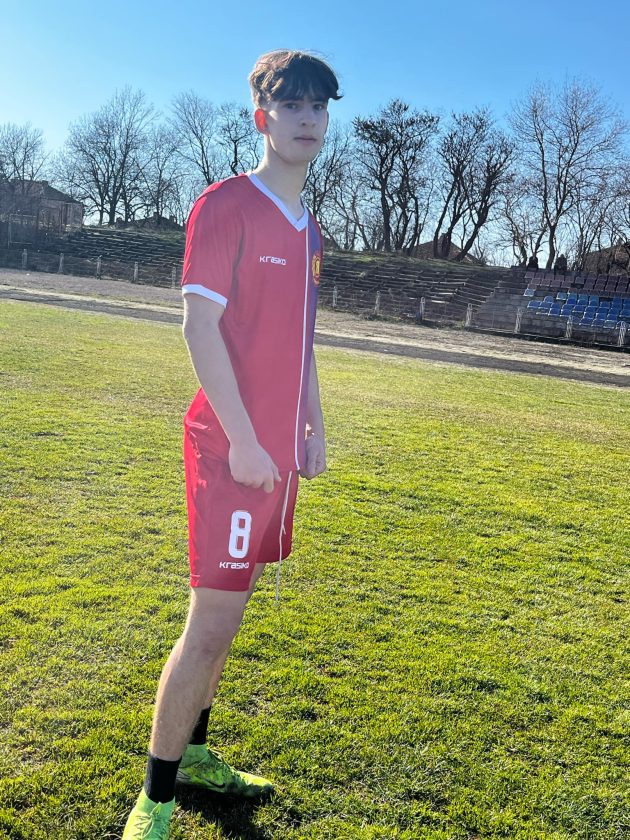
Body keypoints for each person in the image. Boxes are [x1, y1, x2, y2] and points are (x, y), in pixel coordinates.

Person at [122, 49, 342, 838]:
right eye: (292, 105)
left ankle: (198, 756)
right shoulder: (227, 205)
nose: (308, 119)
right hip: (231, 451)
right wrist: (247, 443)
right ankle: (156, 799)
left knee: (231, 616)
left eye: (319, 106)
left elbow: (303, 339)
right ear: (263, 118)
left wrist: (312, 423)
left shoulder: (312, 232)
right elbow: (199, 326)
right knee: (210, 623)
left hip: (275, 455)